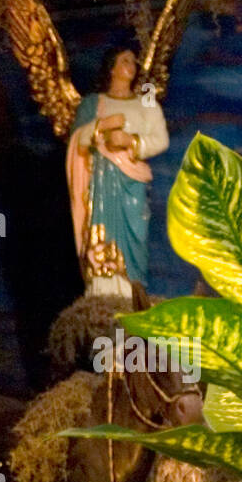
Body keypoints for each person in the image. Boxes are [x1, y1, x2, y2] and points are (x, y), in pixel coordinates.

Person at [66, 46, 170, 297]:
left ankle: (134, 294)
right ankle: (104, 294)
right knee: (102, 236)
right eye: (125, 60)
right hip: (102, 182)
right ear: (111, 68)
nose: (131, 65)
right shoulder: (94, 104)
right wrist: (103, 126)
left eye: (134, 61)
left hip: (132, 182)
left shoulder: (145, 102)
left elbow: (161, 139)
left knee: (136, 237)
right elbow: (78, 141)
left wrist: (131, 142)